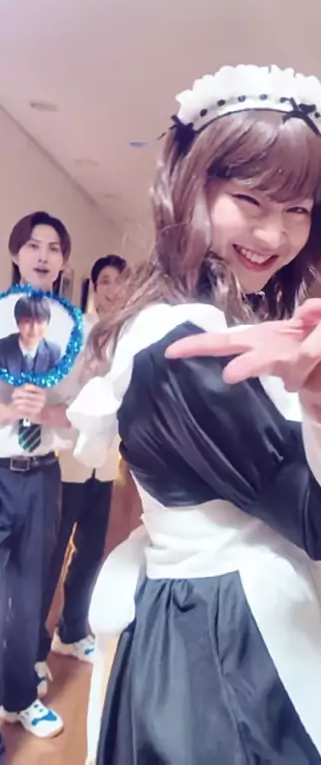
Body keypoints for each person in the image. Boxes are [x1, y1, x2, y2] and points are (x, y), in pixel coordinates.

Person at [69, 64, 321, 765]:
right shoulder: (187, 342)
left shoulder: (205, 320)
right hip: (231, 647)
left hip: (207, 625)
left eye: (299, 210)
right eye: (249, 199)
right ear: (193, 189)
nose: (274, 234)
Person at [0, 211, 77, 739]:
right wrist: (10, 410)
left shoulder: (74, 330)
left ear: (64, 260)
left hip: (43, 474)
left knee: (29, 596)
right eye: (33, 245)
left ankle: (18, 697)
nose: (43, 256)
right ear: (15, 253)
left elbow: (85, 408)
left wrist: (48, 412)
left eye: (53, 248)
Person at [36, 254, 127, 679]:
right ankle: (33, 649)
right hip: (69, 457)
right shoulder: (77, 331)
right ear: (94, 287)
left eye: (119, 281)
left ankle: (71, 631)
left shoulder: (130, 334)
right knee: (52, 555)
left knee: (90, 551)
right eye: (105, 280)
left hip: (105, 460)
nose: (113, 288)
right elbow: (60, 389)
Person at [0, 296, 61, 376]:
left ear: (47, 324)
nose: (34, 329)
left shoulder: (54, 353)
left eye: (39, 322)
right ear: (18, 323)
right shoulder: (2, 349)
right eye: (27, 322)